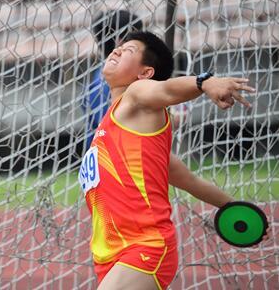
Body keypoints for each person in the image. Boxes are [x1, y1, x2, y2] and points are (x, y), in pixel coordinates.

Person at [77, 31, 267, 290]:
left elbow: (166, 88)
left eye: (128, 50)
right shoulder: (121, 130)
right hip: (110, 255)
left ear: (145, 73)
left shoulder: (135, 93)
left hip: (145, 249)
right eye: (118, 48)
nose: (117, 50)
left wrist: (205, 82)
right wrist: (234, 207)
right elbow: (189, 180)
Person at [82, 10, 143, 147]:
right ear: (121, 42)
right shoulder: (105, 84)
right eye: (140, 36)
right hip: (111, 161)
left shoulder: (106, 74)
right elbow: (113, 132)